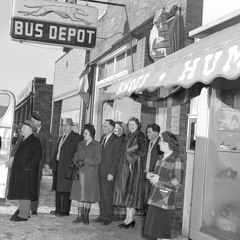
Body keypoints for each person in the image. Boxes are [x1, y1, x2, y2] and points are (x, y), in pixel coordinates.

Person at [144, 131, 184, 240]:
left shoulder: (177, 159)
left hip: (165, 200)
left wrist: (159, 179)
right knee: (156, 231)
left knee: (163, 232)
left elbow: (177, 182)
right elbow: (158, 175)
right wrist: (151, 175)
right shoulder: (160, 158)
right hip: (155, 198)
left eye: (161, 140)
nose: (158, 143)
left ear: (167, 143)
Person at [113, 117, 146, 229]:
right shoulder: (129, 136)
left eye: (133, 124)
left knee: (132, 194)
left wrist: (130, 158)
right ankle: (127, 219)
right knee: (127, 194)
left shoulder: (139, 135)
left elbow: (141, 150)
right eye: (130, 124)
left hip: (134, 170)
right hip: (126, 169)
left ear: (138, 125)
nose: (131, 126)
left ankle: (130, 219)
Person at [7, 120, 42, 222]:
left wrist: (28, 167)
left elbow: (38, 156)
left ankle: (23, 215)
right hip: (21, 172)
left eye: (24, 128)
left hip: (27, 173)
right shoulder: (24, 140)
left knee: (25, 193)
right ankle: (23, 212)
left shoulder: (35, 141)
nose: (21, 129)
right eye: (22, 128)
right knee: (22, 192)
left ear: (30, 130)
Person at [50, 118, 83, 217]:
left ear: (71, 126)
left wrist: (73, 164)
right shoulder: (61, 137)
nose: (64, 128)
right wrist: (53, 163)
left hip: (68, 167)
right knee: (58, 189)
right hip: (58, 166)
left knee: (66, 189)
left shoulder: (77, 137)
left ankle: (65, 210)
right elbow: (57, 151)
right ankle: (58, 209)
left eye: (66, 125)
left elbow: (78, 153)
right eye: (63, 126)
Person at [70, 123, 102, 225]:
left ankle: (86, 216)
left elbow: (98, 160)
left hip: (90, 174)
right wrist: (76, 161)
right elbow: (75, 156)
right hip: (80, 173)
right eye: (84, 133)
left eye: (86, 133)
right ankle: (79, 216)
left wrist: (85, 160)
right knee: (80, 195)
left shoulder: (97, 145)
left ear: (91, 134)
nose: (84, 135)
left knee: (88, 195)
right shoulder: (81, 144)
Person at [93, 119, 123, 225]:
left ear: (111, 128)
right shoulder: (103, 138)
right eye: (103, 126)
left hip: (109, 173)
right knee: (101, 195)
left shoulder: (117, 140)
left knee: (108, 195)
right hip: (100, 171)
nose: (103, 128)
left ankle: (108, 216)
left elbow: (116, 158)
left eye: (105, 126)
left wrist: (111, 173)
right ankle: (102, 214)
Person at [30, 112, 52, 215]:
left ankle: (34, 208)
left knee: (36, 184)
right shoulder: (30, 131)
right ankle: (24, 205)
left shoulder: (45, 133)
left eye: (34, 121)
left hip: (38, 162)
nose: (32, 123)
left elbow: (48, 148)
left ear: (39, 122)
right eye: (32, 121)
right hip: (28, 161)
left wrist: (47, 163)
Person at [143, 123, 163, 210]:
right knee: (146, 196)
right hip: (146, 173)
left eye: (149, 132)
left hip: (154, 175)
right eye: (147, 132)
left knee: (153, 197)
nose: (147, 134)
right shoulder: (148, 143)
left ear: (156, 133)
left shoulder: (161, 144)